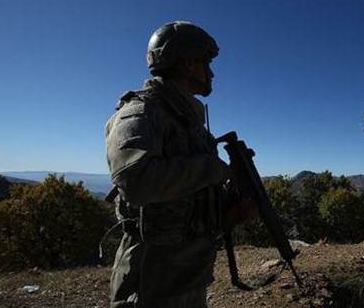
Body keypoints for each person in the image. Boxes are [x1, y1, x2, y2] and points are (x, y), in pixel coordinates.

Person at [105, 21, 255, 307]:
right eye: (205, 62)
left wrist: (230, 213)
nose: (211, 72)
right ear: (187, 63)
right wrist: (215, 169)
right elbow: (137, 183)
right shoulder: (141, 112)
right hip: (150, 283)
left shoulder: (191, 125)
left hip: (186, 278)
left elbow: (186, 202)